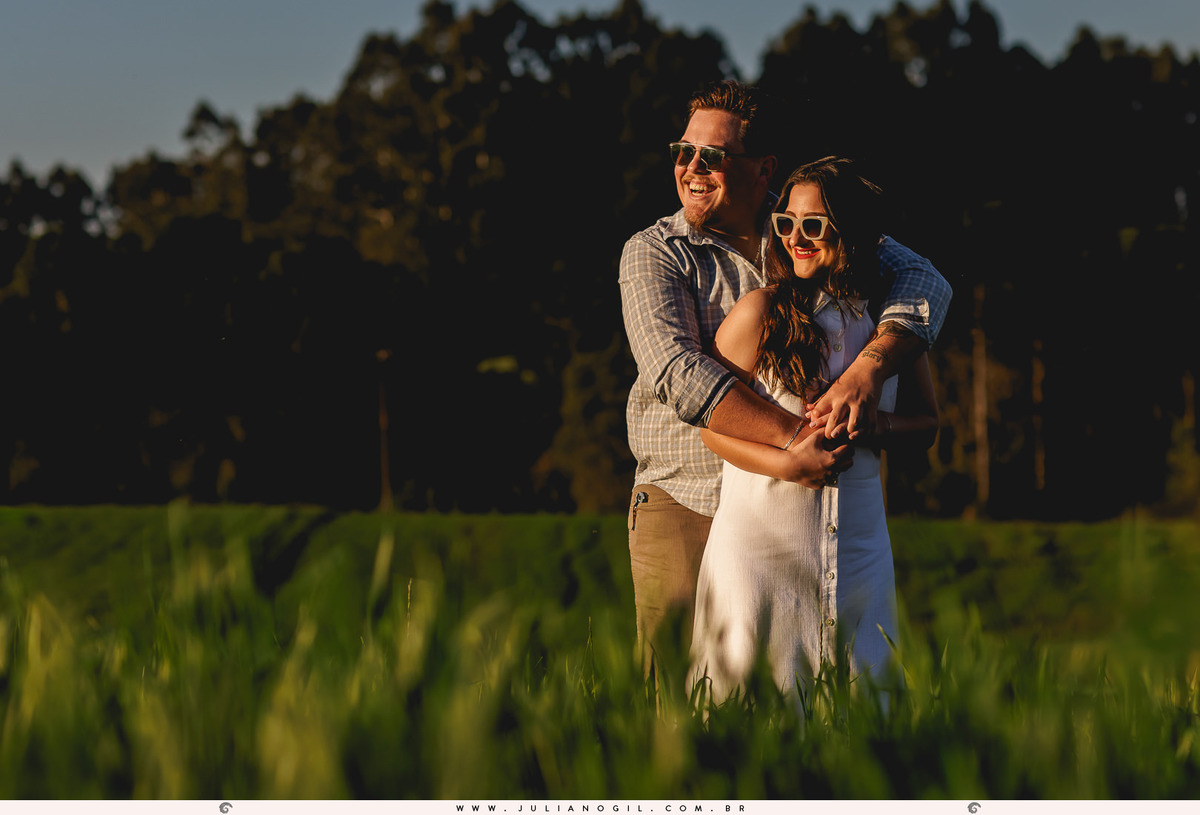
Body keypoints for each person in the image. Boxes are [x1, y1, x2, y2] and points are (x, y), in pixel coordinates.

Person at [619, 80, 951, 681]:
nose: (692, 168)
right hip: (687, 499)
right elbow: (680, 376)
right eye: (683, 151)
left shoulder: (805, 221)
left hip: (808, 509)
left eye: (712, 156)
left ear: (761, 167)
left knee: (820, 686)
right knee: (680, 696)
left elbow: (926, 284)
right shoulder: (656, 251)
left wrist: (867, 373)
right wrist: (802, 439)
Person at [687, 156, 939, 701]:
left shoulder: (889, 328)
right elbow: (710, 426)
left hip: (860, 550)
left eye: (814, 225)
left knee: (860, 716)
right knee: (750, 717)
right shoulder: (760, 311)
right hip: (759, 550)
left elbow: (926, 425)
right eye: (786, 223)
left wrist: (870, 426)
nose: (796, 238)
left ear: (852, 232)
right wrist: (787, 461)